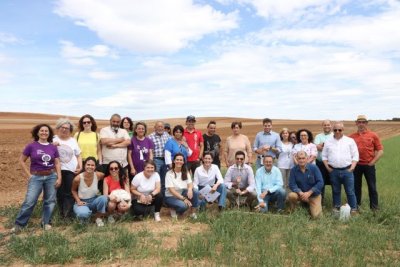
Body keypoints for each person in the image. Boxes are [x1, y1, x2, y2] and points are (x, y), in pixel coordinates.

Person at [12, 124, 62, 233]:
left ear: (49, 134)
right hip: (36, 177)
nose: (44, 132)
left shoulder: (53, 147)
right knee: (30, 201)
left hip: (51, 176)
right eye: (42, 131)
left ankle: (46, 222)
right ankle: (19, 224)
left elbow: (57, 162)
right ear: (38, 132)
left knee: (49, 201)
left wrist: (59, 177)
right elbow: (21, 160)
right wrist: (29, 175)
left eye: (46, 131)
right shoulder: (31, 146)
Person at [322, 121, 359, 213]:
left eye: (339, 130)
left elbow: (355, 155)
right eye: (335, 130)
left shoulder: (350, 141)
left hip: (347, 170)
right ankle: (337, 208)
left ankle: (353, 209)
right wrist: (327, 167)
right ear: (333, 130)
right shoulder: (328, 141)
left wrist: (352, 167)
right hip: (333, 171)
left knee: (350, 191)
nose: (337, 131)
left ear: (343, 130)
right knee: (336, 190)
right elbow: (324, 156)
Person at [350, 115, 384, 211]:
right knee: (356, 187)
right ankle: (356, 207)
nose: (361, 124)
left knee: (372, 187)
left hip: (369, 166)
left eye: (363, 122)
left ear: (366, 123)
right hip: (356, 166)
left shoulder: (373, 135)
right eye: (359, 122)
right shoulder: (351, 137)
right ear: (356, 123)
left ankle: (374, 208)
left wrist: (372, 162)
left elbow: (380, 150)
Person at [53, 118, 82, 219]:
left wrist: (80, 166)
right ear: (58, 128)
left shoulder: (73, 140)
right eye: (62, 127)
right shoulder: (53, 139)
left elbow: (78, 155)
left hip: (71, 170)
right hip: (57, 171)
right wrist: (52, 145)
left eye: (67, 128)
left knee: (69, 192)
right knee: (59, 193)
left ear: (70, 130)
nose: (64, 130)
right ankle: (61, 213)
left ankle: (68, 214)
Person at [71, 157, 108, 226]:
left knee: (104, 198)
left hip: (94, 200)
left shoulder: (98, 175)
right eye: (88, 165)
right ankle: (85, 215)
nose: (90, 167)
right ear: (84, 165)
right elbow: (73, 190)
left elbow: (107, 178)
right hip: (82, 201)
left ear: (95, 167)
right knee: (83, 214)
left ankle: (98, 217)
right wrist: (78, 201)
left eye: (92, 165)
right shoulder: (78, 178)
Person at [288, 151, 324, 219]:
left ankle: (307, 206)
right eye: (299, 158)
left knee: (317, 216)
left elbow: (320, 182)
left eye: (303, 158)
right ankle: (294, 210)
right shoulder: (293, 170)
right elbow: (292, 184)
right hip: (300, 195)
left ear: (307, 158)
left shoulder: (314, 168)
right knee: (291, 195)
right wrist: (300, 192)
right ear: (297, 159)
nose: (301, 160)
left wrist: (309, 192)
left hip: (314, 195)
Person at [164, 153, 199, 219]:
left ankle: (193, 213)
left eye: (181, 160)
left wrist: (189, 189)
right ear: (174, 161)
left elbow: (190, 183)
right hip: (171, 197)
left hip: (182, 193)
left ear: (183, 162)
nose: (179, 161)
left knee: (195, 191)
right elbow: (172, 191)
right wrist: (184, 199)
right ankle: (174, 209)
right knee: (183, 206)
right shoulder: (169, 173)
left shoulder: (185, 171)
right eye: (177, 159)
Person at [148, 121, 171, 194]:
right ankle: (155, 196)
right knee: (155, 178)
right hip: (156, 160)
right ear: (155, 128)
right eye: (158, 126)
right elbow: (150, 151)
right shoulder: (150, 137)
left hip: (166, 161)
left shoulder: (167, 135)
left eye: (162, 127)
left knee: (164, 179)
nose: (160, 128)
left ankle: (163, 198)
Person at [314, 120, 333, 200]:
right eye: (325, 125)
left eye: (328, 125)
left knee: (334, 182)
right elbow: (317, 147)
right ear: (323, 126)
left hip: (332, 163)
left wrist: (322, 146)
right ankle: (320, 202)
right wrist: (326, 147)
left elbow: (323, 148)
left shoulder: (334, 135)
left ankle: (335, 203)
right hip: (320, 163)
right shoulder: (318, 136)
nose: (326, 126)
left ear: (331, 125)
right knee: (321, 182)